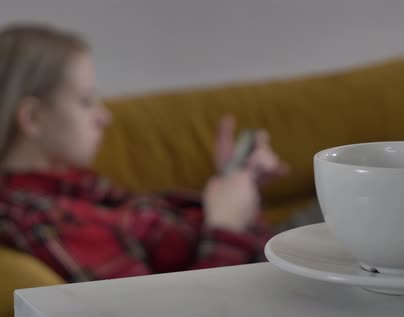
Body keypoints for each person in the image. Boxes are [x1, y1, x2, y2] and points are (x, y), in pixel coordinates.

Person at [0, 23, 288, 282]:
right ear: (33, 118)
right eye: (86, 101)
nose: (105, 117)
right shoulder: (44, 220)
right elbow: (161, 316)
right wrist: (228, 227)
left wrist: (236, 184)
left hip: (269, 251)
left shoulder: (71, 188)